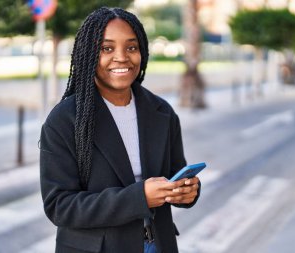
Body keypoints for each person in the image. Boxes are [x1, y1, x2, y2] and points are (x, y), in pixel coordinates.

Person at [39, 7, 201, 253]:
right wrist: (140, 198)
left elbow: (175, 173)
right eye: (107, 48)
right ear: (89, 54)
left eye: (131, 47)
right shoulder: (65, 120)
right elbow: (60, 206)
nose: (122, 57)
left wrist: (187, 192)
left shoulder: (162, 112)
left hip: (157, 245)